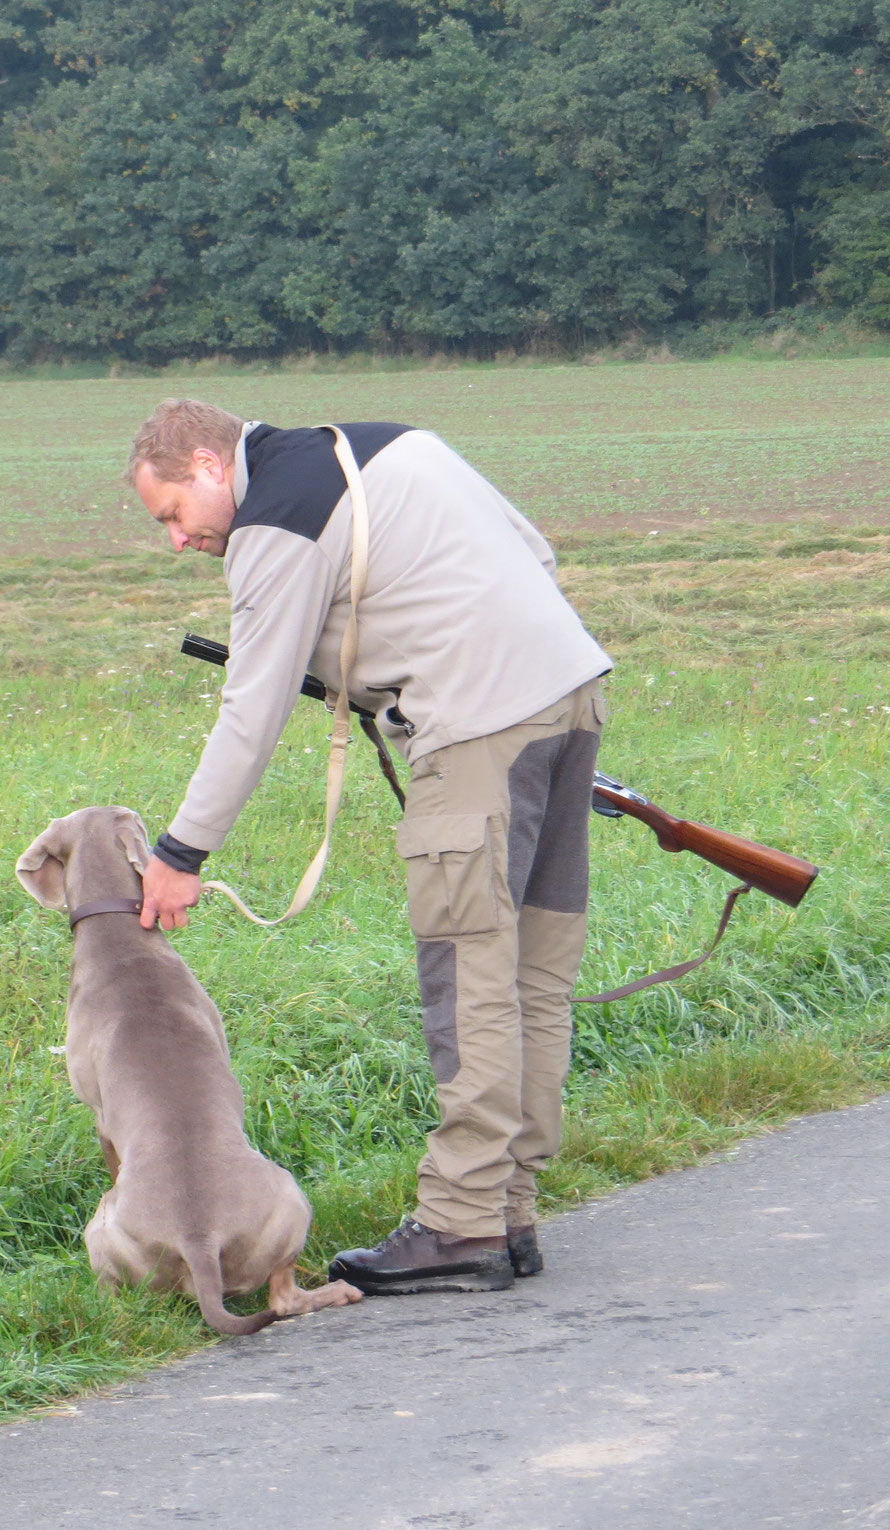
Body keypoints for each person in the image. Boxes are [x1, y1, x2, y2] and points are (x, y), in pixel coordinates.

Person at [128, 398, 611, 1295]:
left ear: (204, 464)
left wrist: (181, 852)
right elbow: (533, 551)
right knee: (532, 977)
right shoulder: (390, 441)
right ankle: (510, 1209)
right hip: (571, 696)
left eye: (172, 515)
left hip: (478, 727)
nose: (177, 540)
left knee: (469, 978)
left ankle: (463, 1225)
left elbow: (255, 703)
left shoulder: (275, 516)